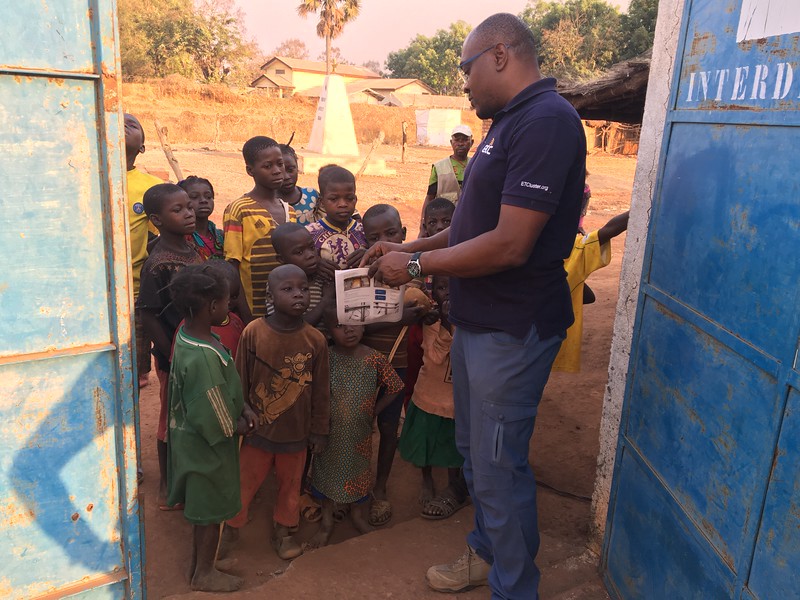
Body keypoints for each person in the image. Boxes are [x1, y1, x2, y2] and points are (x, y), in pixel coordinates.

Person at [362, 13, 587, 597]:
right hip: (480, 324)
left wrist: (413, 267)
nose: (461, 81)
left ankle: (514, 588)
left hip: (511, 329)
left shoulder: (545, 122)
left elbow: (511, 244)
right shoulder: (510, 123)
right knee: (476, 453)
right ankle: (489, 553)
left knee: (496, 466)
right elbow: (470, 227)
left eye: (465, 68)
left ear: (500, 54)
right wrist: (409, 245)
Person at [223, 264, 330, 561]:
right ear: (270, 295)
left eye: (304, 289)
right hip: (257, 431)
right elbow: (239, 378)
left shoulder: (315, 340)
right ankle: (230, 530)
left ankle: (284, 532)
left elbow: (321, 390)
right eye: (288, 289)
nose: (298, 295)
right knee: (244, 482)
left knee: (291, 485)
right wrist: (239, 416)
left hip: (296, 433)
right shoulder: (254, 332)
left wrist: (319, 430)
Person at [166, 264, 256, 593]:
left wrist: (242, 405)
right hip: (208, 447)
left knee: (207, 510)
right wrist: (239, 425)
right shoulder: (202, 358)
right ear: (210, 308)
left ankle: (201, 563)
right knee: (210, 511)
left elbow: (225, 388)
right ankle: (203, 574)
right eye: (225, 301)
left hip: (199, 443)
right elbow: (211, 413)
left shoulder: (192, 336)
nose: (229, 305)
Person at [306, 313, 405, 548]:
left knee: (359, 474)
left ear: (364, 327)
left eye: (354, 323)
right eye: (340, 326)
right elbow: (313, 392)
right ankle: (327, 523)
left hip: (359, 437)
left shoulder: (375, 359)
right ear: (329, 332)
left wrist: (374, 411)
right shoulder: (325, 358)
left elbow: (395, 386)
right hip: (328, 434)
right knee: (326, 474)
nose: (348, 330)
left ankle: (358, 516)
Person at [137, 183, 203, 507]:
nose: (188, 213)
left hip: (196, 351)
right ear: (157, 220)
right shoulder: (159, 262)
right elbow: (147, 313)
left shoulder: (190, 250)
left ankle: (187, 474)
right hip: (174, 357)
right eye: (177, 210)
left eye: (188, 206)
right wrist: (172, 354)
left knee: (189, 416)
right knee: (169, 420)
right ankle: (166, 482)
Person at [361, 204, 427, 527]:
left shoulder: (416, 272)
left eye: (390, 233)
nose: (382, 241)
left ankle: (380, 487)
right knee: (357, 425)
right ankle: (353, 489)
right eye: (373, 236)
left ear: (403, 235)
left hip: (397, 364)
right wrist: (400, 317)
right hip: (363, 364)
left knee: (388, 428)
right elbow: (353, 327)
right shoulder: (360, 274)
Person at [399, 275, 468, 519]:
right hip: (429, 396)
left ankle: (453, 487)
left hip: (454, 403)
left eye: (453, 287)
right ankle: (426, 480)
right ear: (433, 295)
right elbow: (437, 356)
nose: (447, 293)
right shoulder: (431, 323)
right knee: (425, 445)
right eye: (441, 288)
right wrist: (447, 323)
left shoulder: (471, 322)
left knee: (452, 449)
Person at [223, 136, 295, 322]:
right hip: (253, 309)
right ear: (250, 170)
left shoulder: (289, 211)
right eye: (267, 166)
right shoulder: (239, 209)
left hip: (285, 308)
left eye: (280, 164)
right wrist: (243, 309)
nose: (278, 171)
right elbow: (232, 264)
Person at [553, 211, 629, 373]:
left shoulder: (547, 252)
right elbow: (610, 230)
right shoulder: (572, 251)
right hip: (545, 340)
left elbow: (588, 297)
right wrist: (646, 205)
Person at [404, 197, 457, 409]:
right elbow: (411, 284)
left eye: (446, 221)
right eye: (433, 222)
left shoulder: (463, 252)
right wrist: (422, 308)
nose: (440, 227)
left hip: (452, 327)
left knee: (445, 373)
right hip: (422, 326)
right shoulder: (420, 256)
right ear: (425, 227)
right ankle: (412, 413)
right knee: (415, 373)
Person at [124, 113, 163, 389]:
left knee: (135, 373)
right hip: (94, 291)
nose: (124, 124)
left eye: (132, 124)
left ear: (142, 148)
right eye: (119, 120)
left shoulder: (150, 187)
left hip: (136, 290)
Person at [267, 222, 333, 328]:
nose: (310, 255)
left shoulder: (323, 277)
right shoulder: (279, 284)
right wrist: (326, 299)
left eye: (312, 247)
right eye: (299, 252)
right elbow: (293, 326)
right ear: (281, 259)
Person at [305, 165, 366, 269]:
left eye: (349, 198)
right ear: (322, 202)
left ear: (356, 199)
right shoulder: (309, 233)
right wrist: (315, 264)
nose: (343, 204)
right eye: (334, 199)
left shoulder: (364, 231)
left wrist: (368, 254)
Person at [418, 125, 473, 237]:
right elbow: (429, 197)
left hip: (469, 224)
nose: (460, 143)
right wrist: (422, 225)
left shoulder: (476, 164)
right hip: (444, 228)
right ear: (451, 142)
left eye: (465, 140)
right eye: (457, 140)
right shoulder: (439, 167)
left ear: (471, 142)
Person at [180, 176, 224, 260]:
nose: (203, 200)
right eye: (194, 197)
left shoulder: (221, 236)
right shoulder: (182, 239)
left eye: (208, 197)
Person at [278, 144, 323, 226]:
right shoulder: (268, 202)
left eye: (291, 170)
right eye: (280, 172)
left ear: (297, 167)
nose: (286, 177)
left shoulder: (312, 195)